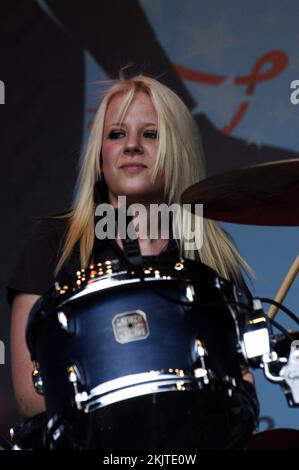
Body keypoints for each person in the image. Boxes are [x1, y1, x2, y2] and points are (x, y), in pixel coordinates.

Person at [8, 75, 258, 443]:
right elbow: (30, 396)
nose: (132, 146)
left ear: (178, 150)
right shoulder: (52, 242)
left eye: (151, 134)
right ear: (99, 156)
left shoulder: (212, 257)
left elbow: (241, 385)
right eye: (116, 134)